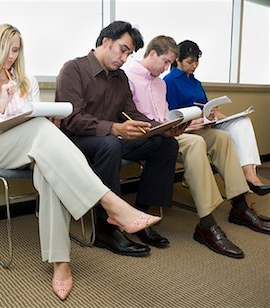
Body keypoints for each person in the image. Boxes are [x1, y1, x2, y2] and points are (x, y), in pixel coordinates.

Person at [0, 23, 160, 301]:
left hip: (32, 148)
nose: (11, 56)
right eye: (6, 49)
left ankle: (61, 263)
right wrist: (3, 104)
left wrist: (50, 120)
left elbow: (35, 122)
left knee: (48, 164)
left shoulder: (27, 81)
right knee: (39, 130)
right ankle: (111, 203)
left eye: (17, 50)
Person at [124, 35, 270, 258]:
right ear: (152, 53)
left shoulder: (160, 83)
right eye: (165, 62)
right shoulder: (127, 76)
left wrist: (181, 123)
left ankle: (240, 206)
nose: (166, 68)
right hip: (149, 135)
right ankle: (206, 223)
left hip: (168, 130)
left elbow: (165, 114)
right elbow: (129, 115)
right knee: (195, 142)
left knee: (222, 138)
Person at [55, 21, 179, 256]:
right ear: (106, 41)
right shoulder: (73, 69)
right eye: (123, 49)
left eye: (129, 53)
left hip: (109, 141)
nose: (124, 57)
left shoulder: (121, 78)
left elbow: (133, 113)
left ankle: (139, 215)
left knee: (165, 144)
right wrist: (114, 128)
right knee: (110, 144)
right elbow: (72, 120)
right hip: (75, 142)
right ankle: (105, 228)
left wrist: (163, 128)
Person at [164, 40, 270, 196]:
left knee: (243, 122)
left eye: (197, 61)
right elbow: (172, 114)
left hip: (206, 123)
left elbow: (205, 105)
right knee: (229, 136)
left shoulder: (196, 83)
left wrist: (212, 112)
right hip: (189, 128)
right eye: (190, 62)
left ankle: (250, 174)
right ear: (177, 60)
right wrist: (196, 119)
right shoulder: (169, 81)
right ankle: (248, 180)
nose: (194, 65)